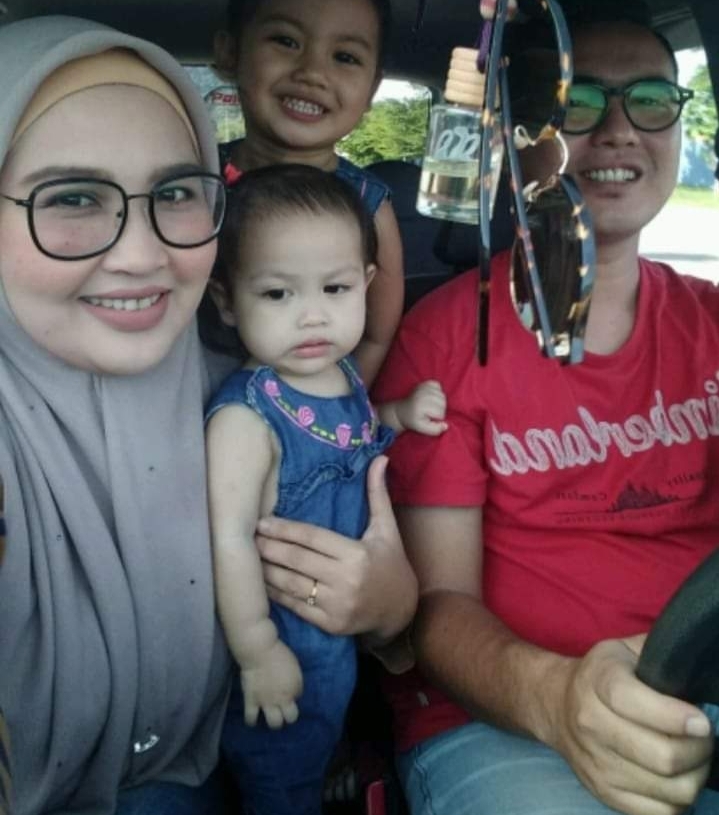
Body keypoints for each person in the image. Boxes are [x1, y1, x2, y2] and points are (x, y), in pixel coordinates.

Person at [0, 17, 419, 815]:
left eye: (175, 193)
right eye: (73, 197)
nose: (139, 253)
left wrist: (391, 605)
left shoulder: (257, 391)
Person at [372, 4, 719, 815]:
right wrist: (560, 701)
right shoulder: (445, 338)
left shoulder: (709, 325)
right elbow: (437, 608)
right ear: (518, 135)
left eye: (650, 99)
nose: (619, 130)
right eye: (578, 101)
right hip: (504, 721)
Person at [204, 163, 446, 815]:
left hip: (343, 630)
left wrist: (397, 415)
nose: (312, 315)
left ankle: (331, 765)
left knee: (324, 733)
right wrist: (257, 649)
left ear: (365, 284)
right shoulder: (245, 418)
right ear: (227, 300)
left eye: (335, 288)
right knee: (279, 776)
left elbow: (351, 436)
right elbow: (228, 539)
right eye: (277, 294)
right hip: (282, 641)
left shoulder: (341, 373)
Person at [212, 0, 404, 386]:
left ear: (372, 89)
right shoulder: (196, 181)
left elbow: (377, 335)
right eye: (286, 41)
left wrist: (338, 403)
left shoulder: (368, 205)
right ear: (231, 52)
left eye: (345, 57)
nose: (314, 73)